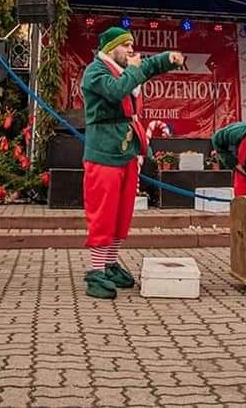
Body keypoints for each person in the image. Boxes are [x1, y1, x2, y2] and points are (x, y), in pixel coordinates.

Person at [80, 26, 183, 299]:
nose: (131, 50)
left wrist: (167, 58)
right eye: (125, 45)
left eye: (131, 45)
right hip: (104, 154)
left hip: (125, 152)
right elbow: (116, 91)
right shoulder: (95, 72)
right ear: (111, 48)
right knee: (103, 214)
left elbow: (145, 67)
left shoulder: (123, 69)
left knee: (121, 213)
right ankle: (96, 271)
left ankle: (111, 263)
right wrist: (136, 70)